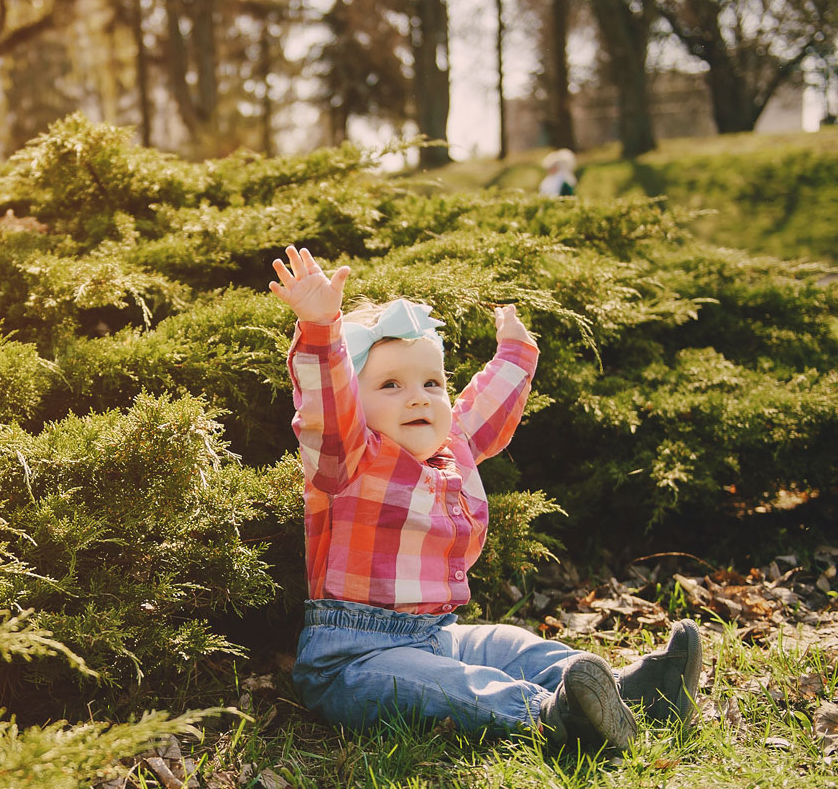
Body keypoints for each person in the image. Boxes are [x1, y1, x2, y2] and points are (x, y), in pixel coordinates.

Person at [268, 244, 701, 752]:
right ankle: (555, 716)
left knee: (510, 645)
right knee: (450, 685)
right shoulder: (348, 461)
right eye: (390, 384)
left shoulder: (453, 449)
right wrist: (320, 328)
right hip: (354, 660)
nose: (418, 397)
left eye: (432, 382)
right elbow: (325, 406)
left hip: (439, 636)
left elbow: (483, 409)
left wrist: (516, 353)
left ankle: (635, 694)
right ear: (355, 406)